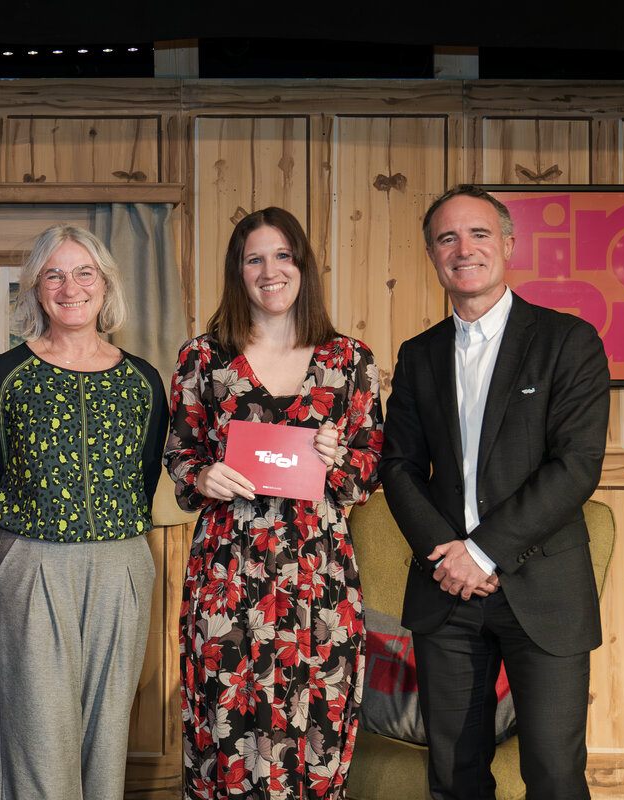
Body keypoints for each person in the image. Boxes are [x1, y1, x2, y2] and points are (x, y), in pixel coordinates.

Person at [380, 185, 609, 800]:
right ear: (432, 256)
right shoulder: (418, 355)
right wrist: (447, 556)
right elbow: (398, 467)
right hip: (445, 592)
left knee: (555, 776)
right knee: (454, 779)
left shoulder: (569, 341)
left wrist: (480, 553)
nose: (464, 248)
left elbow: (577, 465)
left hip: (545, 591)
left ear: (508, 244)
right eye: (446, 238)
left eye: (479, 234)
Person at [164, 207, 383, 800]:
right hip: (228, 572)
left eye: (283, 255)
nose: (270, 270)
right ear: (238, 272)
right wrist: (203, 474)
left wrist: (339, 459)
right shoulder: (203, 358)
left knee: (318, 723)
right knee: (225, 728)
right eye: (254, 258)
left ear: (303, 266)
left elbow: (369, 471)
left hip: (320, 577)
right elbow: (179, 453)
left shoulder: (350, 361)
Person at [0, 224, 169, 800]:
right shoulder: (6, 376)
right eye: (53, 274)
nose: (70, 286)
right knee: (37, 734)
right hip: (32, 560)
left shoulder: (143, 381)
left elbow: (146, 472)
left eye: (84, 272)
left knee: (106, 735)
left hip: (123, 564)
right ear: (35, 289)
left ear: (105, 286)